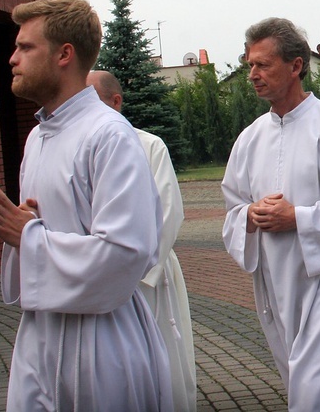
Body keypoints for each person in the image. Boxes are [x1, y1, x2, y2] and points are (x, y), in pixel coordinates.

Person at [0, 0, 172, 411]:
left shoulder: (109, 136)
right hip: (40, 337)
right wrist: (27, 232)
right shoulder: (37, 138)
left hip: (100, 346)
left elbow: (126, 252)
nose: (12, 58)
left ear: (64, 54)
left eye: (25, 47)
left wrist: (28, 236)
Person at [221, 17, 320, 412]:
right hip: (275, 282)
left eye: (262, 65)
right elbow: (232, 209)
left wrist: (299, 218)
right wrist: (249, 213)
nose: (253, 75)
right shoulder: (250, 137)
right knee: (301, 385)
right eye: (249, 66)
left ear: (296, 66)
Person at [87, 70, 197, 412]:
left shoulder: (149, 145)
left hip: (147, 276)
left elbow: (168, 211)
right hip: (97, 278)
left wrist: (135, 271)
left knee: (161, 358)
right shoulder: (82, 146)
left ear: (115, 102)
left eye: (90, 101)